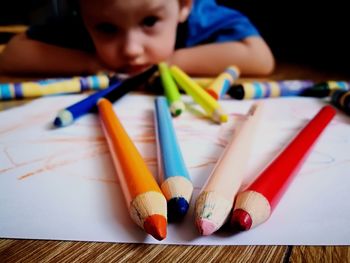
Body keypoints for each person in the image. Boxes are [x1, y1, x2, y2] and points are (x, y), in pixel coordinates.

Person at [0, 0, 275, 77]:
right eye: (107, 28)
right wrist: (90, 63)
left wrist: (171, 62)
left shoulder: (201, 15)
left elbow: (260, 58)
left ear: (183, 6)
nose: (131, 50)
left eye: (150, 22)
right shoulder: (83, 14)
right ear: (82, 15)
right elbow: (12, 56)